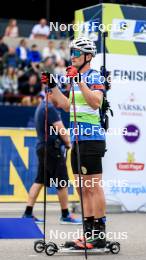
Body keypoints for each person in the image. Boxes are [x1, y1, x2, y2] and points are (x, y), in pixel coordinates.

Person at [41, 37, 107, 248]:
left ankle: (99, 234)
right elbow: (66, 106)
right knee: (81, 188)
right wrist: (52, 87)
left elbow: (96, 102)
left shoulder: (94, 76)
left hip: (92, 139)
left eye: (77, 53)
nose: (73, 56)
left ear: (88, 56)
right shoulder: (74, 77)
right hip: (78, 139)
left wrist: (78, 79)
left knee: (92, 187)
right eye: (72, 52)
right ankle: (88, 233)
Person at [23, 81, 81, 225]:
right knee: (62, 181)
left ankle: (27, 213)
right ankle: (65, 215)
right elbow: (61, 129)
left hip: (42, 147)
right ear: (50, 93)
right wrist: (69, 144)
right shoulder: (50, 108)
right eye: (57, 93)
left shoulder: (42, 107)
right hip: (52, 149)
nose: (60, 95)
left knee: (39, 180)